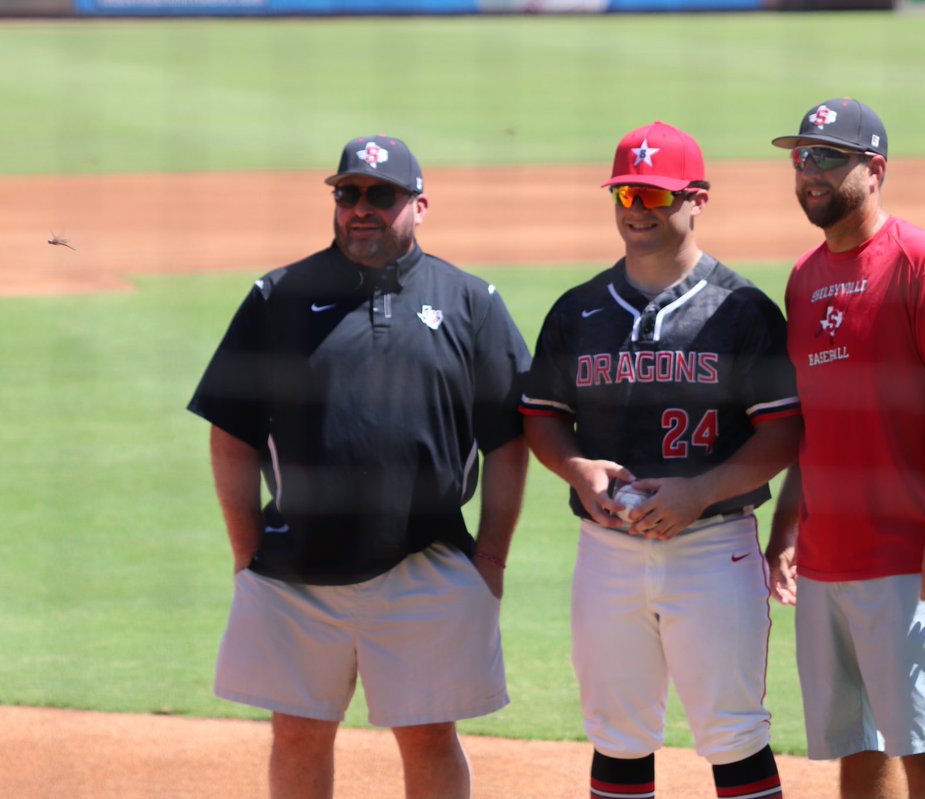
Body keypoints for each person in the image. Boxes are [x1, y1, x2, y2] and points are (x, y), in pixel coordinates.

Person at [187, 135, 531, 799]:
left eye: (381, 194)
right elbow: (231, 431)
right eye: (348, 194)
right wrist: (244, 550)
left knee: (430, 734)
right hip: (293, 571)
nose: (361, 208)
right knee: (296, 731)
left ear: (419, 205)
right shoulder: (278, 297)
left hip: (426, 563)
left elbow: (510, 441)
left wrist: (491, 558)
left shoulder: (470, 302)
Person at [520, 121, 802, 799]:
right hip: (605, 550)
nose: (636, 210)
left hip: (714, 549)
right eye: (625, 195)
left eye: (654, 195)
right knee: (617, 735)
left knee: (734, 735)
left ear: (697, 198)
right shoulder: (578, 310)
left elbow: (784, 435)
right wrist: (576, 469)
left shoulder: (742, 312)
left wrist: (699, 491)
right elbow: (541, 415)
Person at [764, 99, 925, 799]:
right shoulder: (804, 278)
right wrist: (789, 523)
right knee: (855, 748)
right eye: (802, 158)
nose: (810, 173)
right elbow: (810, 417)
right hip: (828, 556)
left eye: (828, 158)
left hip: (906, 555)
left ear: (876, 169)